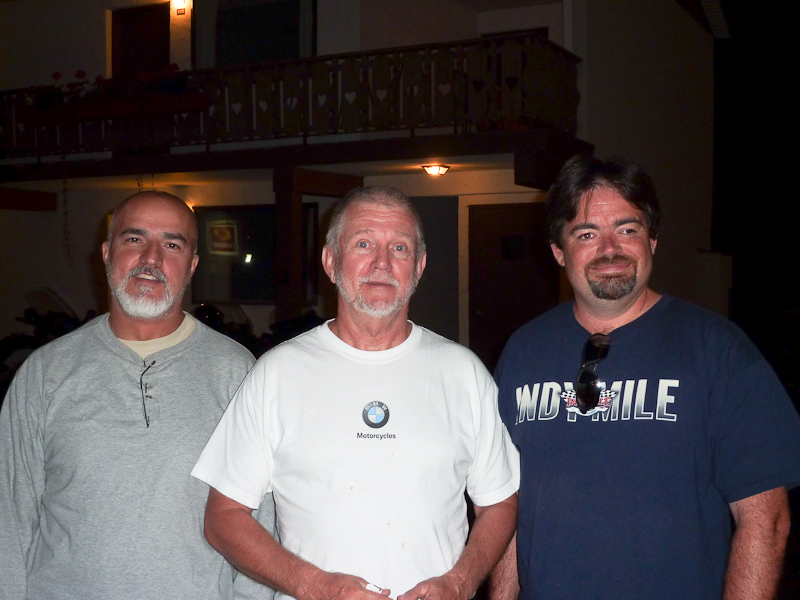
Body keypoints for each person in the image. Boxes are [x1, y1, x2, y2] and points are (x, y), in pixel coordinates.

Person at [491, 155, 800, 600]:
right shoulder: (523, 352)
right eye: (586, 234)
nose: (609, 249)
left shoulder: (718, 350)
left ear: (652, 239)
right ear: (558, 251)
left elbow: (766, 520)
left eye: (627, 229)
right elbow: (509, 506)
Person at [191, 186, 520, 600]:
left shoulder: (463, 373)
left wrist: (461, 582)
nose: (382, 262)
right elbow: (223, 517)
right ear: (330, 261)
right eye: (363, 244)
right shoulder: (277, 373)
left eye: (399, 248)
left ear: (418, 266)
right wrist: (316, 586)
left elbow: (499, 502)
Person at [0, 191, 275, 600]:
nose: (151, 258)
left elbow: (262, 519)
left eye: (172, 244)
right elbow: (10, 518)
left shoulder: (236, 373)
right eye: (134, 239)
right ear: (107, 253)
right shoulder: (45, 373)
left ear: (192, 265)